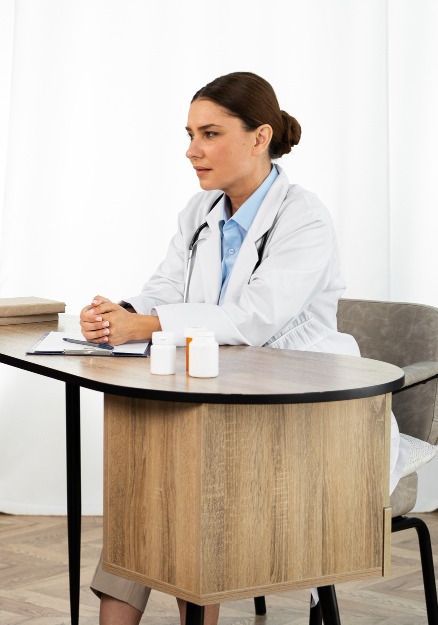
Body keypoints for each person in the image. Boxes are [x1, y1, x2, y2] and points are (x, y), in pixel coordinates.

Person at [79, 71, 398, 625]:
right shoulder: (199, 212)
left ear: (259, 137)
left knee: (182, 490)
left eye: (210, 134)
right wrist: (120, 314)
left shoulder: (304, 217)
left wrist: (144, 326)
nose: (192, 150)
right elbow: (165, 287)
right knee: (149, 488)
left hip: (305, 409)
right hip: (225, 393)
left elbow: (254, 319)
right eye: (189, 134)